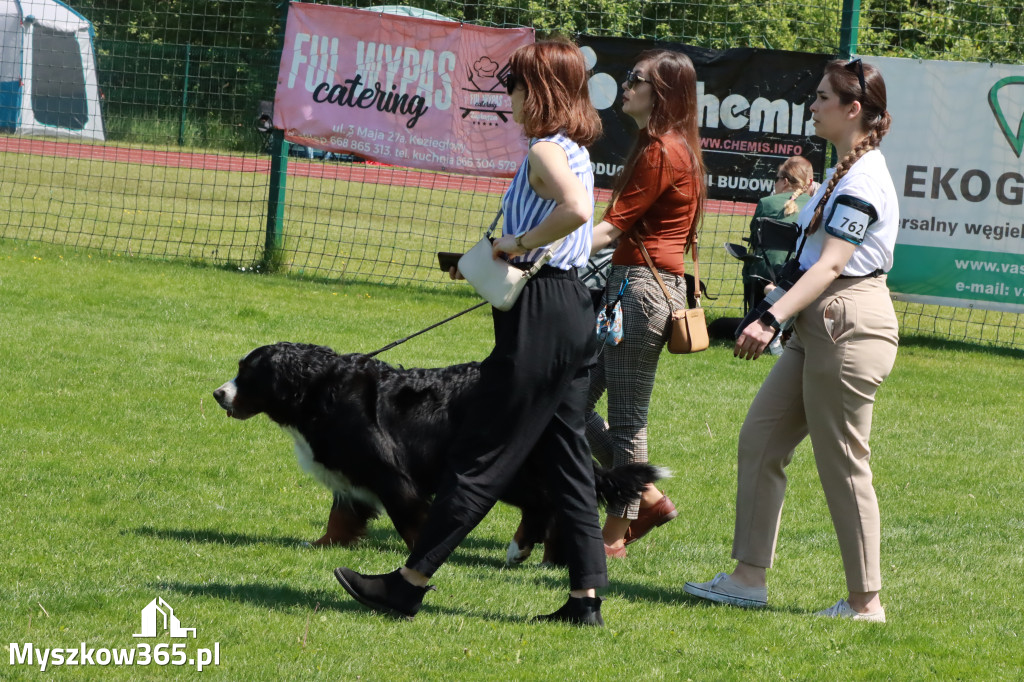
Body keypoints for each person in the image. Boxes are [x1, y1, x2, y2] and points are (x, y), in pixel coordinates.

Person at [333, 39, 608, 626]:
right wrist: (489, 257)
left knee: (482, 452)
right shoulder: (575, 148)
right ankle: (585, 600)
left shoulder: (543, 151)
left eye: (513, 87)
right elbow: (584, 224)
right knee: (567, 460)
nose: (508, 100)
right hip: (573, 310)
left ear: (536, 91)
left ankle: (407, 584)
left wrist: (514, 245)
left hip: (539, 312)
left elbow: (576, 212)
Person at [684, 58, 898, 622]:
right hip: (818, 323)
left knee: (844, 464)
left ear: (854, 109)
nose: (813, 104)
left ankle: (865, 604)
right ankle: (747, 578)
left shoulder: (864, 177)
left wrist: (769, 318)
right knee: (760, 439)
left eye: (824, 97)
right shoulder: (840, 171)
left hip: (846, 322)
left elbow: (830, 266)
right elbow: (810, 261)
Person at [584, 50, 706, 557]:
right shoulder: (665, 145)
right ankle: (648, 496)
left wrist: (541, 253)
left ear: (663, 94)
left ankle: (613, 538)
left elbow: (613, 227)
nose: (625, 85)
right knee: (567, 402)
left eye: (636, 80)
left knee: (628, 418)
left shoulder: (662, 149)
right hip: (634, 287)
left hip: (641, 291)